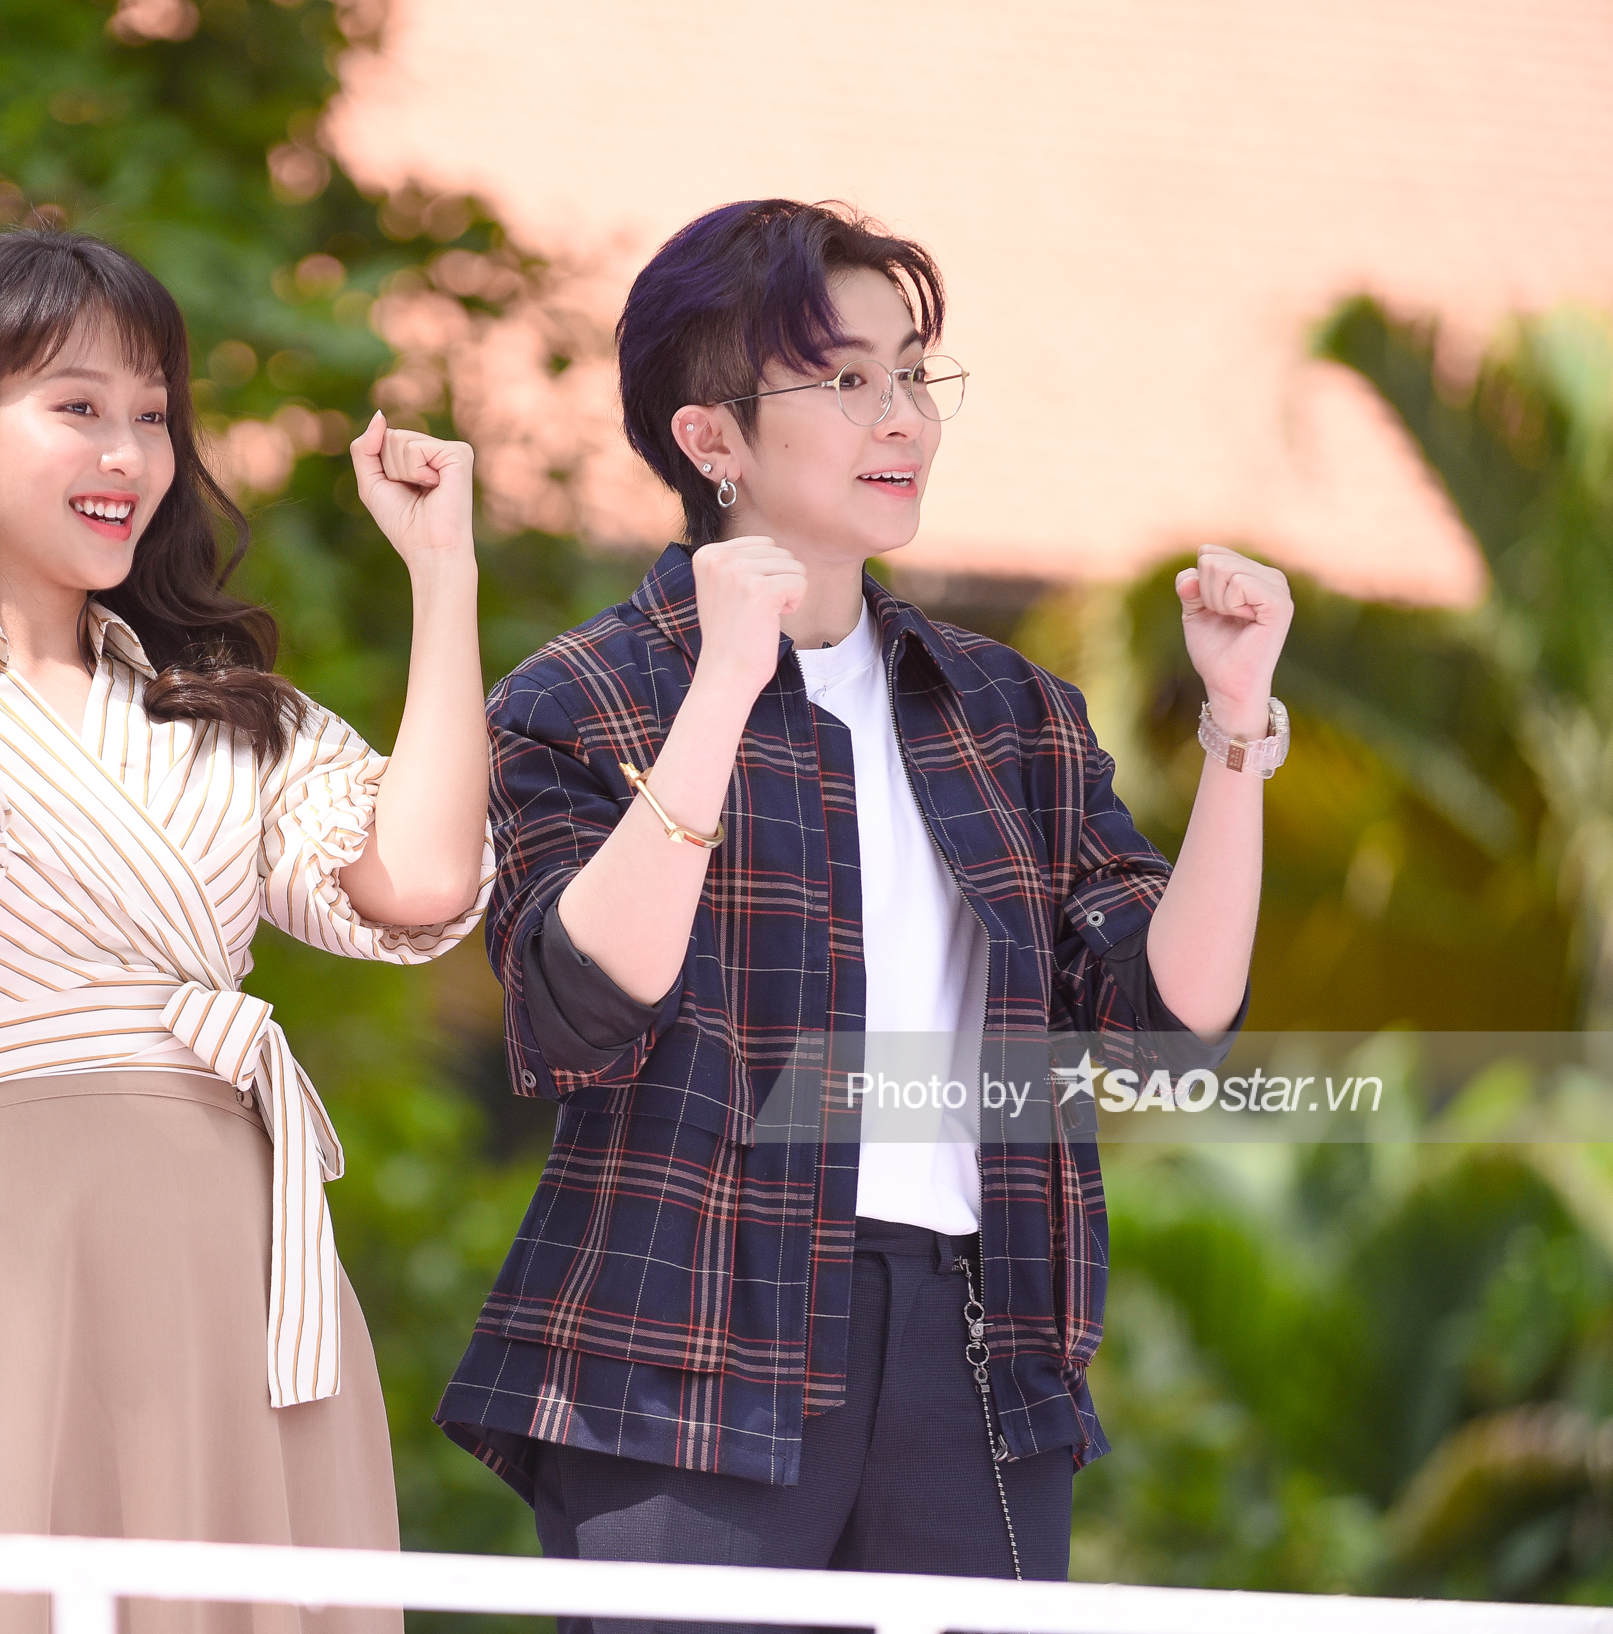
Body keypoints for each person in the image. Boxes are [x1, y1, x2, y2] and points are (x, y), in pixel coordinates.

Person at [435, 199, 1288, 1612]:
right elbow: (576, 1010)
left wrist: (1237, 728)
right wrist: (724, 682)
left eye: (913, 373)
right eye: (845, 380)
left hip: (977, 1339)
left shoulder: (1008, 710)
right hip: (688, 1337)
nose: (903, 417)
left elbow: (1168, 1022)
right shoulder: (581, 697)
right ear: (710, 439)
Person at [0, 226, 491, 1634]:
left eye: (153, 414)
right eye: (77, 405)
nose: (128, 453)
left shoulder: (214, 704)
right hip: (3, 1247)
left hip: (239, 1263)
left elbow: (428, 880)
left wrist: (443, 574)